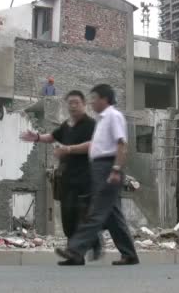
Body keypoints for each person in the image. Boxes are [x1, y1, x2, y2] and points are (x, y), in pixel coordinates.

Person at [55, 84, 139, 266]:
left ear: (104, 99)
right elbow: (93, 145)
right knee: (113, 216)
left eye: (94, 98)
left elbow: (122, 144)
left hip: (108, 167)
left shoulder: (113, 116)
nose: (91, 102)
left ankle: (75, 250)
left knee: (96, 212)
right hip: (99, 168)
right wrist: (68, 149)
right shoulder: (102, 120)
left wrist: (116, 169)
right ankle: (130, 254)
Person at [20, 90, 102, 264]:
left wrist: (69, 149)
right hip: (67, 178)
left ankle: (79, 250)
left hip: (85, 178)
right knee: (68, 218)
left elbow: (93, 145)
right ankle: (77, 254)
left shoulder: (90, 124)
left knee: (81, 217)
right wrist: (36, 137)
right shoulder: (67, 125)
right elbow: (53, 136)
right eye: (70, 103)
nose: (72, 106)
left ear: (84, 104)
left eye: (76, 103)